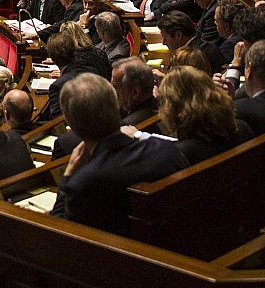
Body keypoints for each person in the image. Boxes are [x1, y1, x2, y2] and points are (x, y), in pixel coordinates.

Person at [51, 72, 188, 234]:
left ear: (71, 125)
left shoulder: (84, 182)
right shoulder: (166, 150)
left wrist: (67, 178)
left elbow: (59, 232)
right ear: (116, 107)